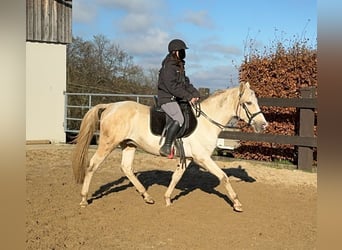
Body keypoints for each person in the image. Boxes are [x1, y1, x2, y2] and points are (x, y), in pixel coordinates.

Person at [157, 39, 200, 157]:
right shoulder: (169, 66)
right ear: (175, 52)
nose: (183, 53)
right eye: (181, 51)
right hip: (167, 98)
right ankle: (166, 146)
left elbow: (185, 83)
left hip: (175, 98)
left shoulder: (179, 66)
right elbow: (172, 86)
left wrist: (195, 93)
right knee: (179, 119)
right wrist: (188, 97)